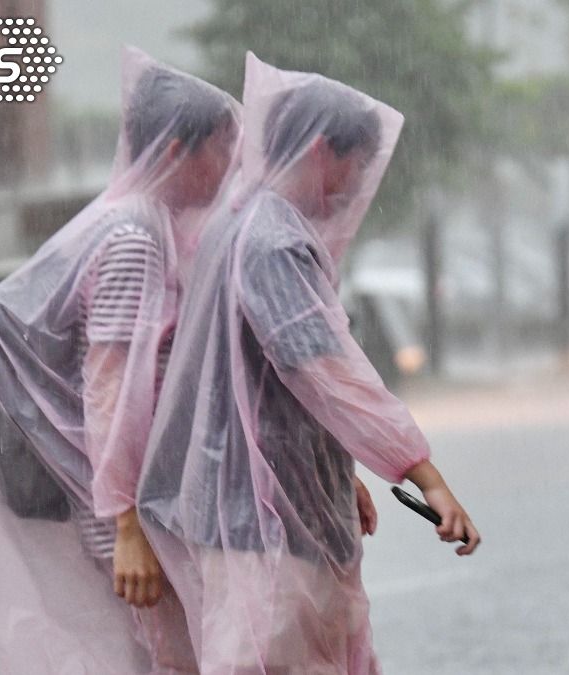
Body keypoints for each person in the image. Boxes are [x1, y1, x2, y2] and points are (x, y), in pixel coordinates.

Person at [137, 52, 480, 675]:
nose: (356, 182)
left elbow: (262, 381)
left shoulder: (240, 223)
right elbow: (324, 371)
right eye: (356, 163)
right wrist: (422, 473)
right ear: (322, 149)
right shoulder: (273, 241)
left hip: (257, 504)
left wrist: (336, 470)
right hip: (261, 518)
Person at [0, 47, 240, 673]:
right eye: (222, 147)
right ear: (175, 151)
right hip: (128, 508)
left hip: (133, 503)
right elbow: (112, 387)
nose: (231, 165)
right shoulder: (134, 239)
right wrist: (128, 527)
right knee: (172, 658)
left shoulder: (131, 224)